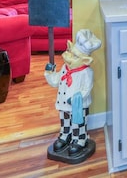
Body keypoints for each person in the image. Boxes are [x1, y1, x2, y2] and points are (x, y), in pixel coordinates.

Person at [44, 29, 101, 157]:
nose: (69, 56)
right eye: (70, 52)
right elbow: (56, 81)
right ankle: (65, 135)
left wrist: (77, 97)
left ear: (85, 60)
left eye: (74, 56)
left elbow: (87, 88)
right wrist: (49, 73)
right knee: (65, 121)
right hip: (64, 104)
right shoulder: (65, 68)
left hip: (77, 105)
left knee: (78, 122)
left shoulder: (86, 72)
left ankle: (80, 139)